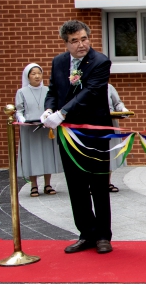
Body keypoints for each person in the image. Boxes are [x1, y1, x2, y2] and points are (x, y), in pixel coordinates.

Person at [41, 20, 113, 254]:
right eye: (75, 41)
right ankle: (86, 233)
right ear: (66, 43)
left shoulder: (100, 61)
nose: (81, 45)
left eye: (84, 39)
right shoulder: (59, 62)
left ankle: (103, 235)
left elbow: (90, 92)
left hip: (94, 133)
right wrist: (50, 109)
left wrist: (62, 112)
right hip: (67, 134)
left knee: (99, 185)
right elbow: (53, 90)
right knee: (76, 184)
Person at [15, 63, 62, 197]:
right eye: (33, 73)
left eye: (39, 73)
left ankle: (48, 184)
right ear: (27, 76)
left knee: (47, 154)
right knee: (32, 156)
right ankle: (34, 185)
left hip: (45, 128)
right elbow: (19, 110)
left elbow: (53, 106)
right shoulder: (22, 92)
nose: (37, 76)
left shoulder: (48, 90)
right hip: (29, 129)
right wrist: (22, 118)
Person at [106, 84, 128, 192]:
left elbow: (117, 103)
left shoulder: (109, 87)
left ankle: (107, 182)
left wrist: (123, 109)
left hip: (110, 122)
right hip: (91, 125)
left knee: (109, 153)